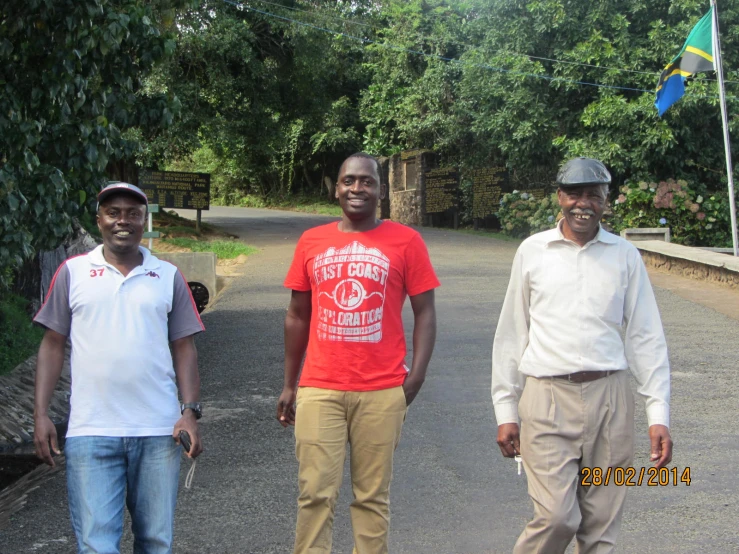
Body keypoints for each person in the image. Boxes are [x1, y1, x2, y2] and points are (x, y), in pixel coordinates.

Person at [491, 158, 673, 554]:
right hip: (547, 399)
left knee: (600, 530)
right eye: (575, 193)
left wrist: (658, 414)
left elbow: (645, 336)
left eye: (594, 195)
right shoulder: (533, 251)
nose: (583, 204)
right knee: (558, 517)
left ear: (606, 202)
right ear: (559, 197)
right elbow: (511, 334)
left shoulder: (624, 256)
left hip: (610, 400)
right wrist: (505, 411)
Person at [277, 152, 439, 554]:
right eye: (349, 180)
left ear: (380, 190)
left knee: (371, 497)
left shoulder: (407, 241)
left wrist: (415, 377)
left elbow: (426, 313)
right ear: (337, 188)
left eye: (366, 181)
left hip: (382, 389)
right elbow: (297, 315)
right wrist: (289, 384)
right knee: (314, 493)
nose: (357, 188)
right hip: (319, 387)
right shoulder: (312, 241)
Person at [33, 182, 205, 554]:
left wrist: (189, 413)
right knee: (97, 545)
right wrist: (41, 414)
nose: (122, 221)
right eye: (113, 213)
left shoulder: (168, 276)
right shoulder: (73, 272)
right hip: (91, 431)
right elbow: (52, 345)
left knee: (156, 543)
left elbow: (184, 348)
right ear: (99, 220)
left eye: (132, 213)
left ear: (144, 221)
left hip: (159, 431)